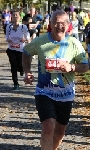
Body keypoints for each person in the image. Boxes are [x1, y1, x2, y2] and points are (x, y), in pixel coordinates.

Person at [22, 10, 88, 150]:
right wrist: (27, 72)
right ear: (50, 24)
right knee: (48, 127)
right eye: (55, 23)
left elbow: (85, 67)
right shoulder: (40, 41)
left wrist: (71, 67)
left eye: (62, 23)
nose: (59, 26)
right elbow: (26, 52)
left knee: (59, 132)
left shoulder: (74, 43)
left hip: (66, 95)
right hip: (44, 92)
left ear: (68, 25)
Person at [6, 10, 30, 90]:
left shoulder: (23, 27)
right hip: (11, 49)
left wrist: (25, 40)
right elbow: (6, 37)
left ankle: (22, 70)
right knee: (13, 66)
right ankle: (15, 83)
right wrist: (8, 40)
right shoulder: (8, 27)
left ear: (20, 17)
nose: (15, 16)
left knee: (20, 66)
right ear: (12, 17)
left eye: (17, 15)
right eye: (14, 15)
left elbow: (28, 38)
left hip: (21, 50)